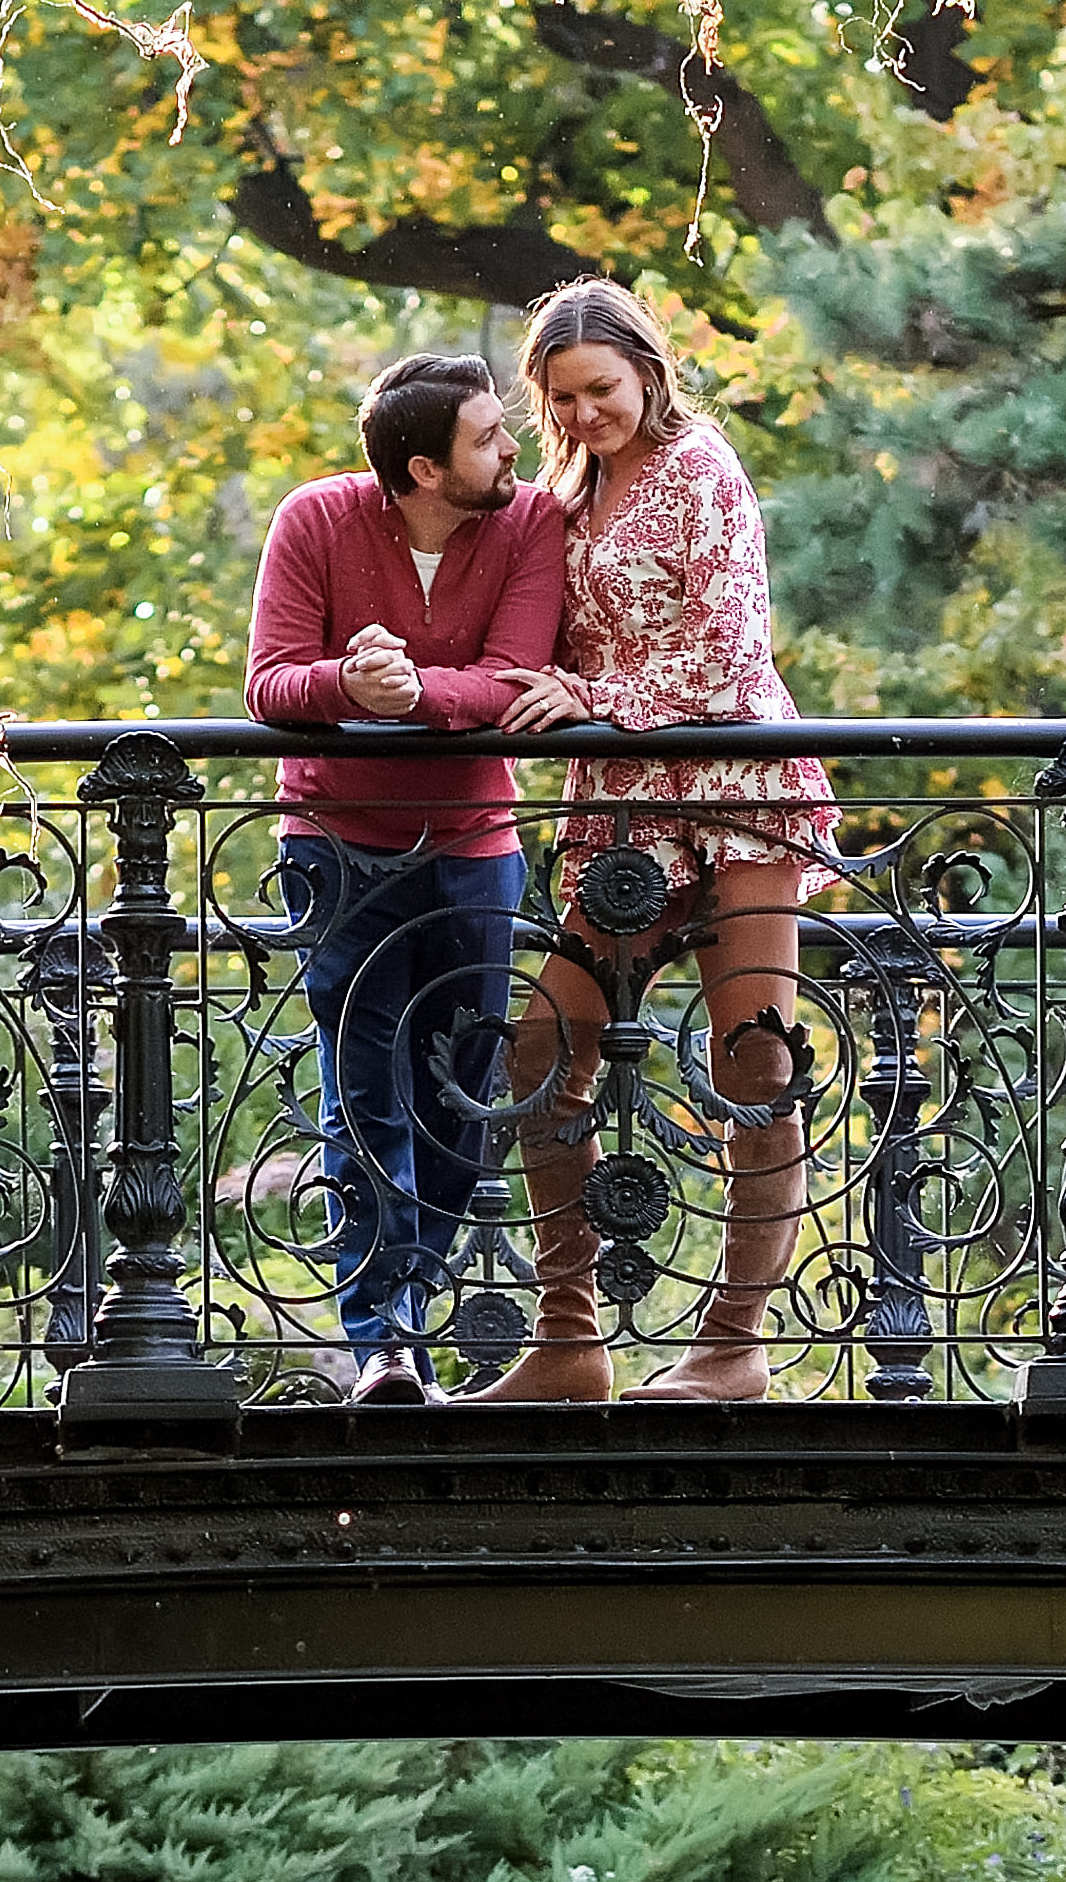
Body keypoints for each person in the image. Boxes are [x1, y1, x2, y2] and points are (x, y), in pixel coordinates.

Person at [478, 276, 838, 1406]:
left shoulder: (703, 470)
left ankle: (732, 1346)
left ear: (645, 369)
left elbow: (731, 657)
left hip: (735, 788)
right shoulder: (563, 488)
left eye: (600, 389)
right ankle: (567, 1339)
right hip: (627, 799)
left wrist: (590, 697)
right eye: (562, 398)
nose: (584, 414)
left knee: (752, 1062)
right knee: (542, 1044)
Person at [246, 348, 567, 1401]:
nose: (513, 445)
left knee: (460, 1099)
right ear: (424, 470)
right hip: (335, 845)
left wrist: (400, 694)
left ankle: (406, 1308)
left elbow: (510, 679)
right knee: (362, 1096)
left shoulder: (526, 523)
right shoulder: (315, 519)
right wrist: (346, 679)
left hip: (474, 847)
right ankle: (381, 1341)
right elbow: (269, 684)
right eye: (487, 436)